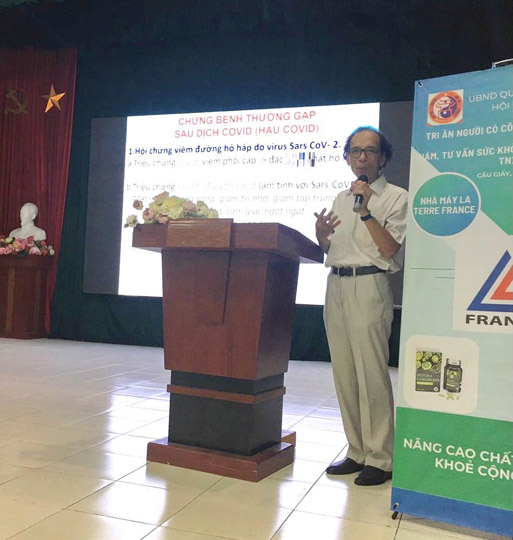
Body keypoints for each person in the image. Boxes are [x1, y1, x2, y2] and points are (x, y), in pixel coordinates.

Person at [314, 126, 408, 486]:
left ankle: (381, 458)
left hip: (370, 285)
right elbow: (335, 247)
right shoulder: (342, 198)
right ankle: (357, 451)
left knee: (371, 373)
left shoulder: (396, 197)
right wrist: (322, 237)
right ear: (347, 158)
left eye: (369, 151)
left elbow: (390, 249)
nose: (362, 157)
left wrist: (367, 212)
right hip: (336, 283)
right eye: (355, 151)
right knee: (345, 373)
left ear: (382, 157)